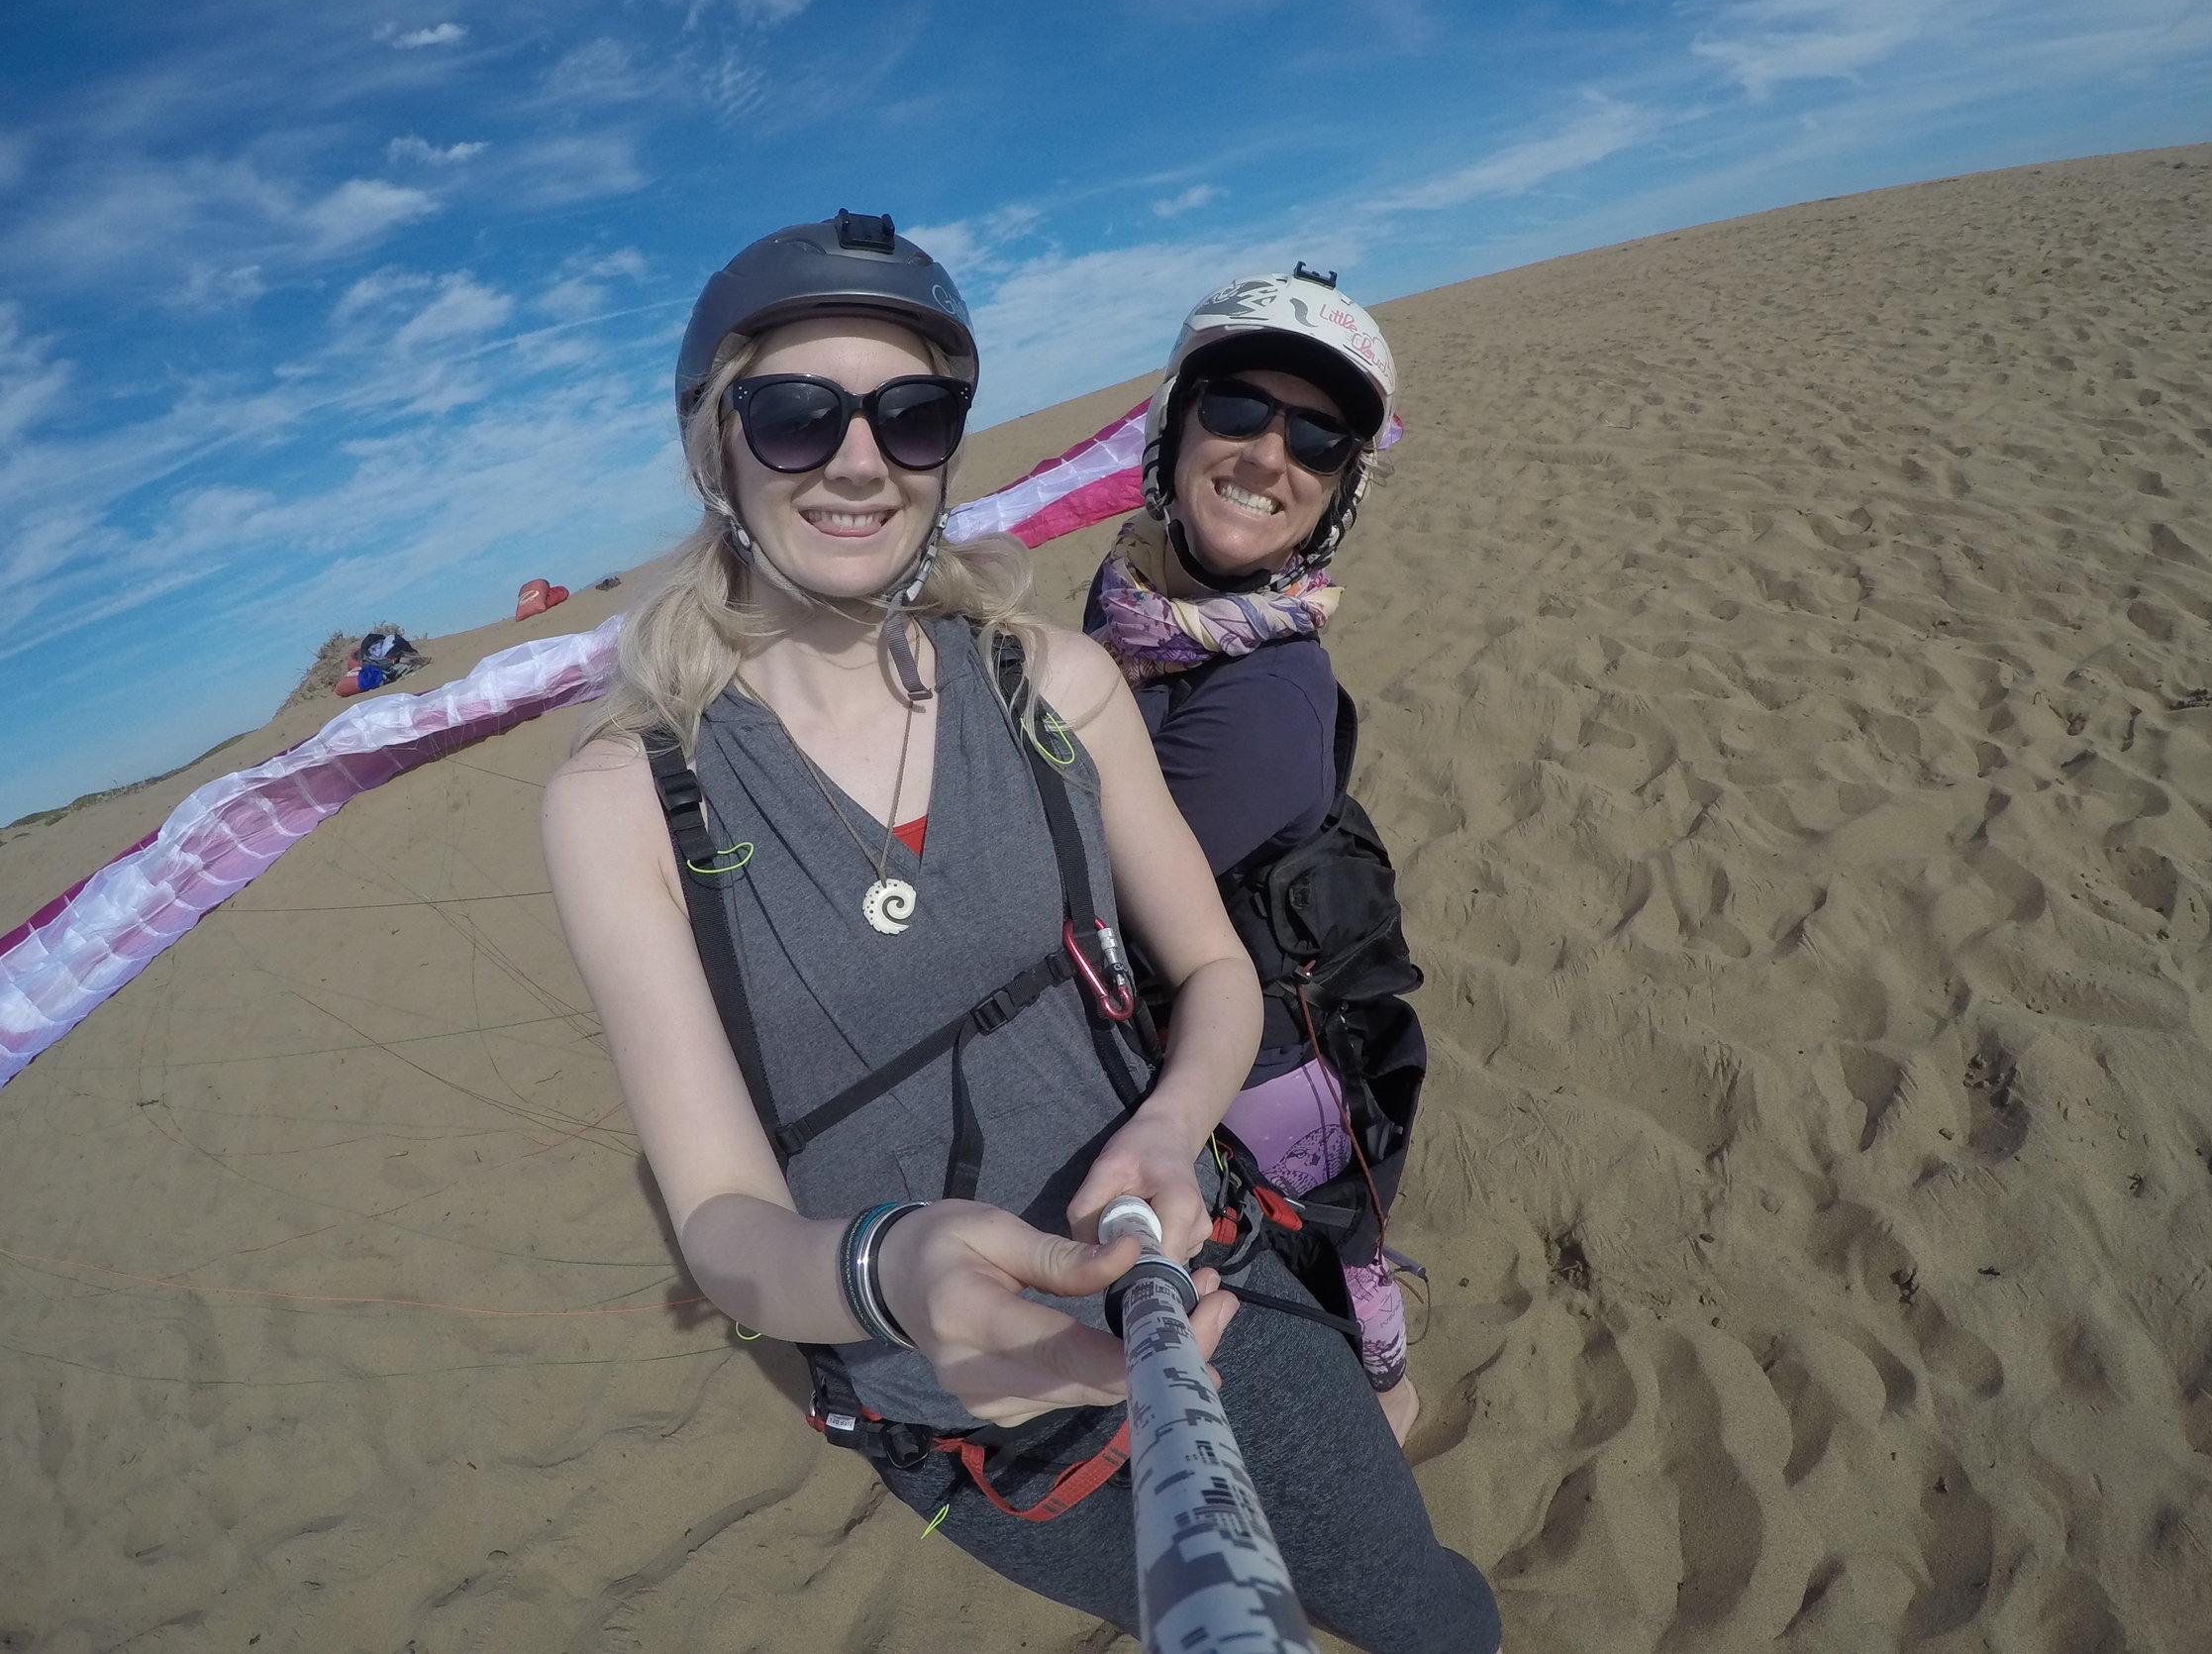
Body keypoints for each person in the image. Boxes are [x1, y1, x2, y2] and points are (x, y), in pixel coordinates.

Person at [544, 213, 1497, 1650]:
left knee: (1412, 1607)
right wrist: (889, 1269)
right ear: (714, 445)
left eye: (910, 414)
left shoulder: (1055, 679)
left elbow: (1215, 967)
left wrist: (1172, 1124)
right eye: (797, 418)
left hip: (1205, 1291)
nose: (859, 460)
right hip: (954, 1423)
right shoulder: (618, 797)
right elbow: (723, 1223)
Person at [1083, 266, 1431, 1442]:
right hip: (1171, 1031)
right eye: (1236, 409)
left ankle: (1383, 1375)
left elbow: (1093, 893)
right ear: (1174, 428)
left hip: (1263, 1067)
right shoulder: (1135, 595)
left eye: (1319, 436)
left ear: (1336, 493)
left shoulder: (1269, 693)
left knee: (1332, 1245)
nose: (1268, 452)